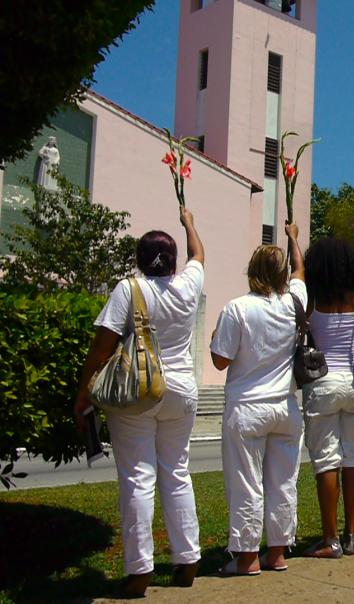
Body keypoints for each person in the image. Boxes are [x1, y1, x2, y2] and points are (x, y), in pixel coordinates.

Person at [74, 208, 205, 597]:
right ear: (173, 261)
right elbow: (200, 254)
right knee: (177, 472)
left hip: (139, 392)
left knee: (137, 478)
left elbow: (103, 345)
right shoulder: (188, 285)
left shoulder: (129, 289)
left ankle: (140, 570)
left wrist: (85, 392)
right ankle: (188, 559)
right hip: (182, 391)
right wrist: (189, 223)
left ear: (139, 260)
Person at [210, 223, 305, 576]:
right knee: (283, 482)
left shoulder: (237, 308)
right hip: (284, 405)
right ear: (283, 275)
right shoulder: (295, 302)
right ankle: (278, 552)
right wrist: (293, 237)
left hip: (247, 407)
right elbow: (301, 269)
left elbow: (220, 359)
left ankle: (247, 556)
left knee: (246, 484)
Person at [299, 237, 354, 557]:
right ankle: (351, 533)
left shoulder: (311, 298)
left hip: (322, 384)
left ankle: (330, 538)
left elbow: (297, 276)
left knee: (326, 462)